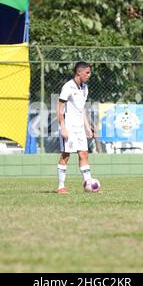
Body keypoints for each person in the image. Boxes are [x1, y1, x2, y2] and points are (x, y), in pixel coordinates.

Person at [56, 61, 94, 194]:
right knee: (66, 155)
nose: (89, 75)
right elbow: (59, 108)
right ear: (79, 72)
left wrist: (87, 127)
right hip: (69, 126)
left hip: (79, 128)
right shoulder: (68, 87)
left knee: (84, 154)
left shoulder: (85, 88)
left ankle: (89, 183)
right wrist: (63, 127)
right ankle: (61, 186)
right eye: (87, 72)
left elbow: (81, 109)